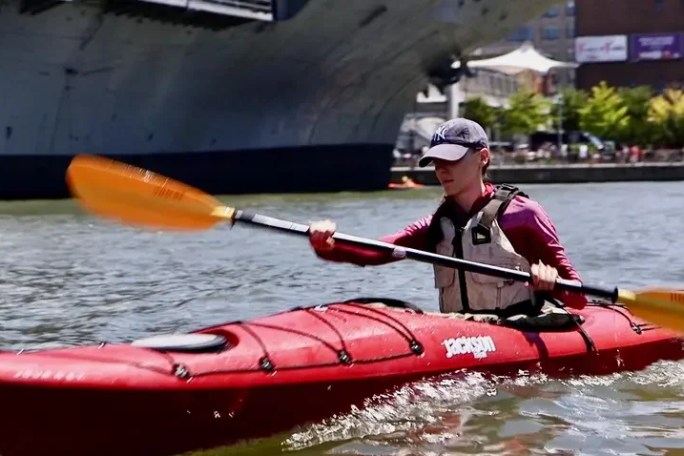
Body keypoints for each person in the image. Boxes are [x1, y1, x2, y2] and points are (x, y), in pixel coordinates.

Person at [308, 118, 587, 317]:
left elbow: (577, 296)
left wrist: (550, 281)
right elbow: (375, 253)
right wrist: (327, 245)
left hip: (515, 333)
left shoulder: (523, 215)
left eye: (451, 159)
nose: (442, 169)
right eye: (437, 162)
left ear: (483, 157)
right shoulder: (436, 226)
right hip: (461, 335)